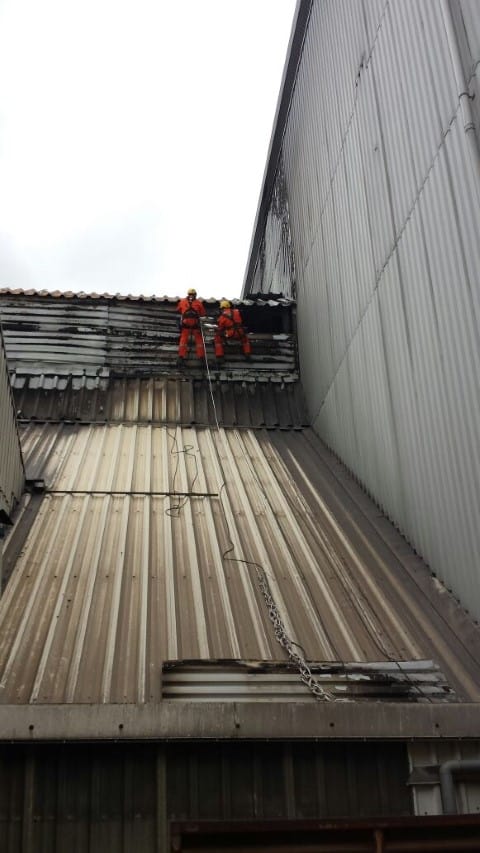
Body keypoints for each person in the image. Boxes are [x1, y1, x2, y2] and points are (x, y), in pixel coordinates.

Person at [176, 288, 206, 362]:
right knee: (197, 342)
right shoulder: (198, 303)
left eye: (192, 294)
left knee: (184, 341)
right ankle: (200, 357)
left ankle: (181, 357)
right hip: (191, 326)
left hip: (190, 326)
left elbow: (178, 310)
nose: (191, 296)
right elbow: (203, 313)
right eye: (191, 294)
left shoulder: (182, 301)